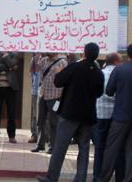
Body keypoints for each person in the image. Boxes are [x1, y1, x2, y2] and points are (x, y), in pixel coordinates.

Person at [36, 43, 104, 182]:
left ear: (83, 53)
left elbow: (59, 82)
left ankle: (51, 178)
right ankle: (80, 179)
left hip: (70, 114)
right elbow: (99, 93)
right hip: (88, 116)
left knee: (61, 146)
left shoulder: (74, 67)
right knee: (84, 149)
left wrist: (59, 73)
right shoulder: (98, 72)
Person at [98, 45, 132, 182]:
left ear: (127, 55)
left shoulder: (119, 70)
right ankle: (127, 179)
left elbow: (109, 91)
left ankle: (104, 178)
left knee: (112, 149)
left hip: (120, 116)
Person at [91, 52, 124, 182]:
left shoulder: (100, 74)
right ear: (116, 63)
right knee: (115, 147)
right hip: (115, 116)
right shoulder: (120, 75)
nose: (122, 65)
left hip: (99, 114)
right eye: (121, 62)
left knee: (99, 147)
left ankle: (97, 177)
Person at [31, 52, 68, 154]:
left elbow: (65, 79)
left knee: (54, 122)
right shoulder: (43, 61)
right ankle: (40, 145)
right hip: (42, 94)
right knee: (40, 120)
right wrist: (36, 57)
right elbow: (33, 70)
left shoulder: (62, 62)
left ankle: (53, 146)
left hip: (55, 95)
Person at [0, 51, 20, 143]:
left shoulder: (15, 54)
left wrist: (6, 56)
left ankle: (12, 136)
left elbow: (13, 63)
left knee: (11, 113)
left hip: (10, 88)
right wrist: (10, 67)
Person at [28, 53, 44, 143]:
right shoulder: (34, 58)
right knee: (35, 114)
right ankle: (35, 135)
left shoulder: (49, 59)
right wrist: (36, 58)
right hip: (36, 90)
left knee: (47, 115)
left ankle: (46, 135)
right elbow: (32, 71)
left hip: (46, 90)